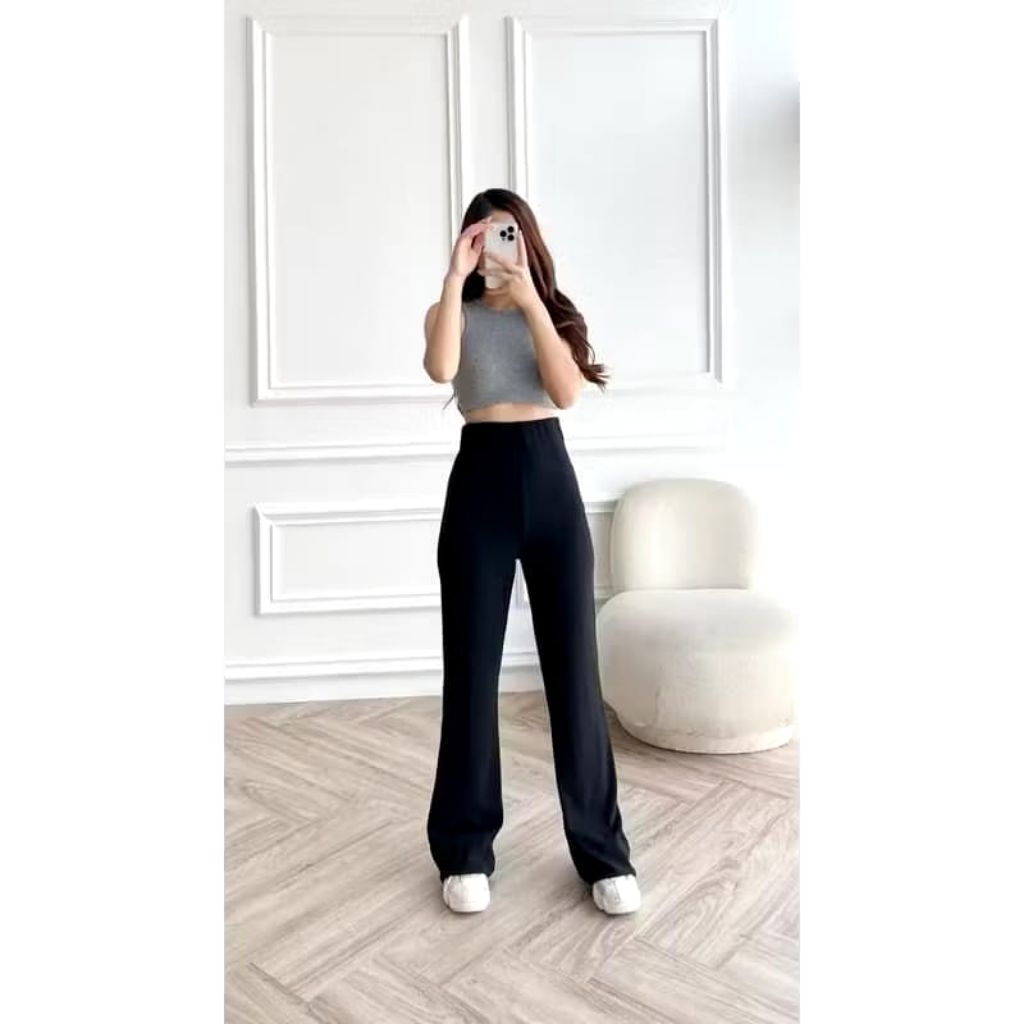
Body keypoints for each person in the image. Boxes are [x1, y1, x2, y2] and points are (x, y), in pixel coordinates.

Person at [421, 188, 641, 916]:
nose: (494, 247)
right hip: (478, 483)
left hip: (549, 480)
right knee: (471, 673)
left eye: (507, 234)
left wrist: (531, 302)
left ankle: (604, 855)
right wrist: (455, 279)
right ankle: (464, 850)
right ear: (467, 241)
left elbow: (566, 394)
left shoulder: (554, 312)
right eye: (481, 235)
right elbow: (441, 368)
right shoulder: (449, 311)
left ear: (527, 240)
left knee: (575, 673)